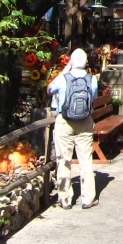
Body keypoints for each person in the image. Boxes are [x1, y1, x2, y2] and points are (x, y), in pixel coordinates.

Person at [47, 48, 99, 209]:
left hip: (65, 121)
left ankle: (65, 199)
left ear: (72, 61)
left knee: (64, 160)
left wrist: (65, 69)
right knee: (85, 160)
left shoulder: (63, 78)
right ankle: (88, 198)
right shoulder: (92, 79)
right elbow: (94, 97)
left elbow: (49, 89)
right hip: (85, 122)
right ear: (85, 63)